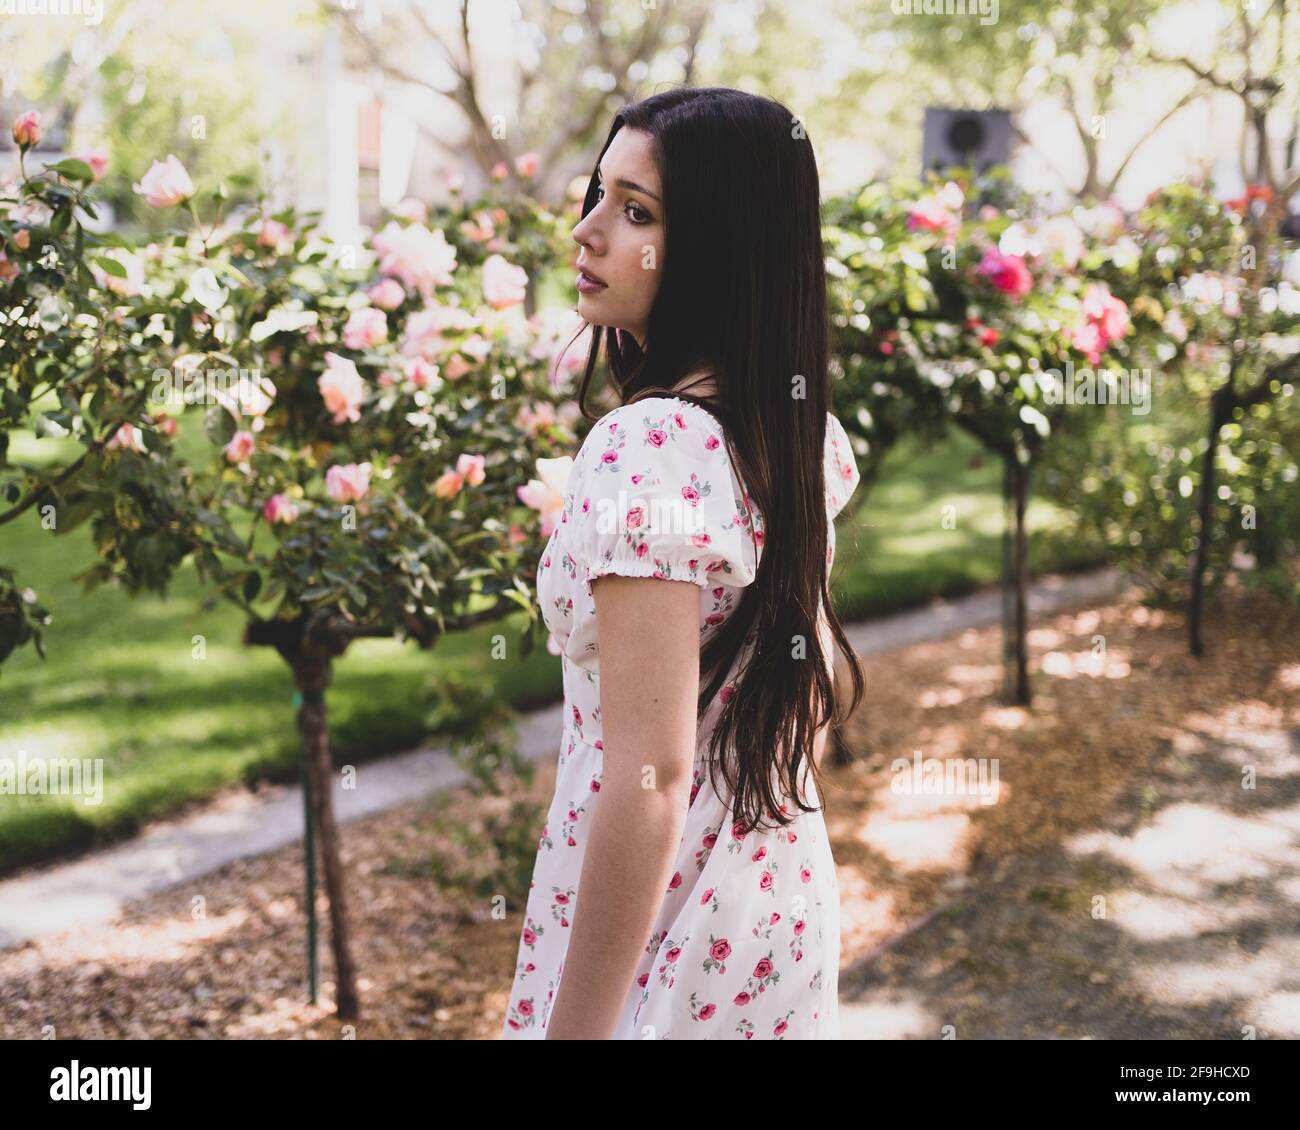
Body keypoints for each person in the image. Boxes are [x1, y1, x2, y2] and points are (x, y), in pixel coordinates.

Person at [501, 86, 864, 1040]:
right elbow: (806, 690)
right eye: (598, 194)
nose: (585, 232)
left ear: (718, 248)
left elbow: (648, 778)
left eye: (636, 212)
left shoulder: (649, 445)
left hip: (676, 930)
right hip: (775, 899)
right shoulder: (792, 433)